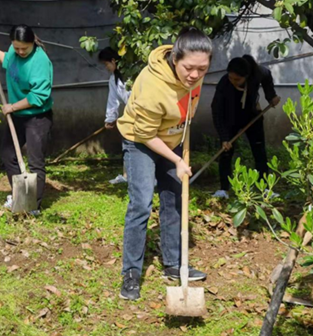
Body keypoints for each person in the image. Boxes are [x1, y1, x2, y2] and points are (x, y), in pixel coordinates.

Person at [116, 27, 212, 301]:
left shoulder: (195, 76)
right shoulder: (152, 84)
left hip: (173, 140)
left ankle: (173, 264)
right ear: (175, 59)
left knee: (174, 200)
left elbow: (187, 105)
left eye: (202, 69)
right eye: (189, 68)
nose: (194, 75)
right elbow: (146, 134)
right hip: (140, 141)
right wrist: (177, 160)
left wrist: (180, 143)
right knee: (141, 204)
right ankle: (131, 273)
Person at [0, 25, 53, 213]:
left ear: (33, 43)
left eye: (24, 48)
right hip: (18, 116)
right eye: (16, 47)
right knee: (8, 155)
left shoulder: (40, 61)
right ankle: (19, 196)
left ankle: (32, 207)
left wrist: (12, 107)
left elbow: (38, 96)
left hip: (37, 117)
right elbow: (9, 61)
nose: (20, 51)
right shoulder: (15, 52)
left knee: (35, 161)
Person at [211, 55, 281, 198]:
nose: (233, 81)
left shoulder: (257, 73)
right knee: (225, 153)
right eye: (231, 77)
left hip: (252, 116)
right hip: (230, 118)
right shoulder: (224, 84)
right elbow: (216, 110)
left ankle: (265, 188)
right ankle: (224, 189)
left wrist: (271, 96)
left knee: (259, 152)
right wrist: (224, 138)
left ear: (247, 76)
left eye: (237, 79)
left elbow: (267, 75)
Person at [98, 47, 131, 185]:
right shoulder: (114, 79)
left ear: (113, 60)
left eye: (106, 64)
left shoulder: (132, 74)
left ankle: (153, 178)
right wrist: (110, 118)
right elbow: (113, 100)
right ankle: (127, 175)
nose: (106, 68)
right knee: (127, 144)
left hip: (146, 112)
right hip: (131, 114)